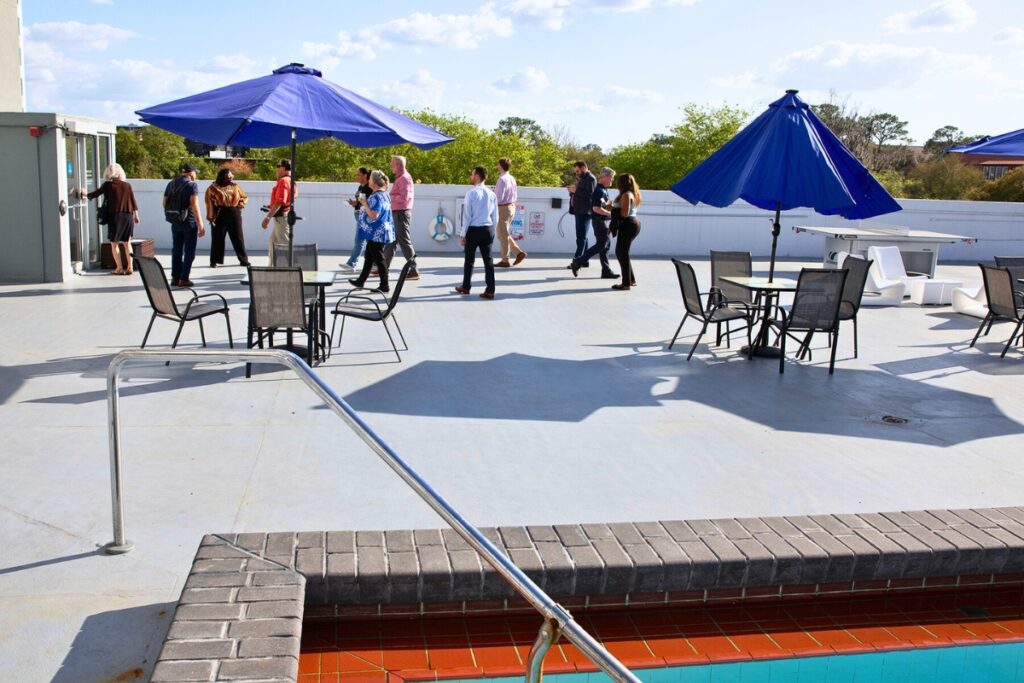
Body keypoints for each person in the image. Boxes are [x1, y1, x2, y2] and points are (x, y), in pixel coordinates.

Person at [86, 163, 139, 275]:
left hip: (115, 216)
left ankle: (119, 268)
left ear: (108, 173)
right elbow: (133, 202)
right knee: (127, 243)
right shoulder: (127, 185)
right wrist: (136, 216)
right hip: (128, 216)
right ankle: (130, 268)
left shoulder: (107, 185)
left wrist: (84, 194)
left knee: (114, 244)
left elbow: (95, 194)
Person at [454, 166, 498, 300]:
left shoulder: (471, 193)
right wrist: (493, 232)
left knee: (469, 260)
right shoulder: (492, 194)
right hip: (488, 229)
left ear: (477, 176)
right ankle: (490, 290)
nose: (471, 176)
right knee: (488, 261)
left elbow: (466, 216)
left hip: (473, 230)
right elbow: (495, 216)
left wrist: (463, 234)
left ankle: (466, 286)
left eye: (472, 174)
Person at [348, 170, 395, 293]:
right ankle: (361, 280)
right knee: (369, 257)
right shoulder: (384, 194)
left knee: (379, 259)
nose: (368, 180)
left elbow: (374, 215)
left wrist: (364, 204)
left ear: (373, 181)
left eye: (370, 179)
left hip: (376, 233)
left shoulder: (377, 196)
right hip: (379, 232)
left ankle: (385, 285)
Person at [570, 166, 618, 279]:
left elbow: (603, 205)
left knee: (605, 246)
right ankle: (578, 261)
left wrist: (612, 208)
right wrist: (611, 214)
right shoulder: (599, 190)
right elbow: (596, 208)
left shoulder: (603, 190)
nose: (612, 180)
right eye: (611, 177)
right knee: (601, 245)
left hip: (603, 222)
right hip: (600, 222)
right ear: (605, 177)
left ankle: (606, 270)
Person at [163, 163, 204, 287]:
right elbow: (194, 205)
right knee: (189, 250)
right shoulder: (192, 185)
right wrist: (200, 223)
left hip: (175, 221)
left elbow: (164, 203)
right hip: (189, 221)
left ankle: (175, 278)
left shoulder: (171, 184)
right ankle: (184, 278)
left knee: (176, 249)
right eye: (195, 172)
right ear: (191, 173)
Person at [204, 168, 249, 268]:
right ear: (223, 177)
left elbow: (244, 197)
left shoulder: (235, 186)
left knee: (238, 238)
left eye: (232, 176)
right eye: (230, 176)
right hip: (220, 214)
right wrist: (211, 216)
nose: (232, 177)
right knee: (217, 238)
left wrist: (240, 205)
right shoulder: (212, 188)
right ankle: (214, 261)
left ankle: (243, 260)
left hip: (235, 213)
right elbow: (209, 202)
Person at [383, 155, 419, 280]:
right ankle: (383, 268)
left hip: (400, 214)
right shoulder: (402, 178)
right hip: (397, 213)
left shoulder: (404, 178)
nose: (391, 166)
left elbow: (404, 198)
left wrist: (389, 198)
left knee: (404, 242)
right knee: (390, 242)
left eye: (392, 164)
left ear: (398, 165)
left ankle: (413, 270)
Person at [493, 157, 527, 268]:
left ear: (500, 166)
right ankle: (518, 253)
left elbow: (499, 198)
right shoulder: (511, 178)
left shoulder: (502, 180)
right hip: (511, 206)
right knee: (502, 233)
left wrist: (492, 195)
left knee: (502, 234)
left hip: (503, 208)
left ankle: (505, 260)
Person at [610, 173, 641, 291]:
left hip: (628, 224)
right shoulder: (633, 194)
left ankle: (626, 283)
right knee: (623, 253)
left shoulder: (626, 195)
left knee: (621, 252)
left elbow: (624, 213)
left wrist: (612, 208)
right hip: (632, 224)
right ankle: (630, 279)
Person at [340, 167, 372, 272]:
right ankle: (375, 264)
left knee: (360, 240)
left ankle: (352, 264)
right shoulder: (360, 187)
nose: (356, 176)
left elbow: (367, 203)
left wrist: (359, 204)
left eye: (358, 174)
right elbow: (359, 202)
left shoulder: (369, 188)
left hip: (364, 216)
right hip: (358, 214)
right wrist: (353, 203)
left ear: (365, 176)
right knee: (365, 240)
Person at [261, 159, 293, 260]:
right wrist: (270, 206)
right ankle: (272, 266)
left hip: (281, 218)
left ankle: (289, 268)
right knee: (273, 242)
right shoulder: (289, 180)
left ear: (283, 168)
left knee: (284, 245)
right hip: (280, 217)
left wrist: (267, 217)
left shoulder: (284, 181)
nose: (276, 168)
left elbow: (280, 201)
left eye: (277, 166)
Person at [566, 160, 595, 270]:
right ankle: (585, 260)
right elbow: (581, 193)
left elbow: (590, 195)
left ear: (583, 167)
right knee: (584, 237)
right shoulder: (584, 178)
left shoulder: (590, 178)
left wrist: (576, 190)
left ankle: (577, 261)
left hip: (584, 211)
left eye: (577, 171)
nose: (577, 173)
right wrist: (572, 192)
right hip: (580, 211)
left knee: (581, 237)